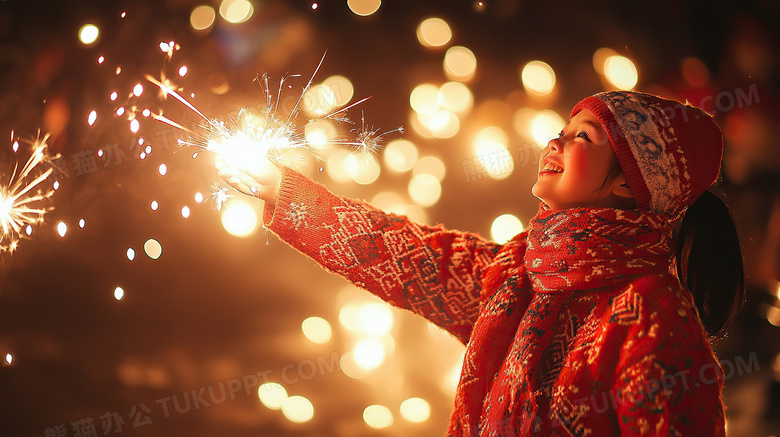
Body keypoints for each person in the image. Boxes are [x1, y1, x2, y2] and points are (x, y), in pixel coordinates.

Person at [218, 91, 744, 436]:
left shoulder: (651, 314)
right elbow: (407, 258)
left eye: (584, 136)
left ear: (632, 183)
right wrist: (285, 192)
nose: (555, 140)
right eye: (563, 127)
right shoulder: (519, 275)